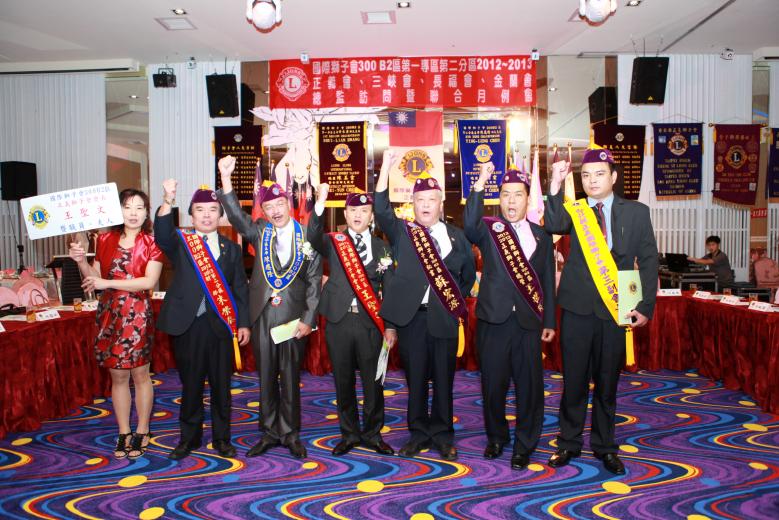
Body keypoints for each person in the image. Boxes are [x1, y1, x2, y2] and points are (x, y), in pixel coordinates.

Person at [544, 147, 658, 475]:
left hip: (615, 308)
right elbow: (553, 223)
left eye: (599, 174)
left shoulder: (636, 212)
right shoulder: (576, 210)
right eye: (586, 175)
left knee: (608, 383)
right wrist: (555, 184)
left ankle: (605, 446)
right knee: (574, 382)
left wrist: (646, 305)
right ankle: (568, 443)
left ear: (613, 177)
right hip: (577, 309)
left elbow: (648, 259)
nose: (592, 181)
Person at [217, 155, 322, 459]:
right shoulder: (260, 231)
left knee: (289, 377)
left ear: (289, 204)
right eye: (268, 207)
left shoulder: (308, 236)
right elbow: (236, 216)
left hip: (294, 319)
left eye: (279, 204)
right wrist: (226, 178)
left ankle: (290, 433)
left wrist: (308, 319)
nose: (275, 211)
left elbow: (315, 281)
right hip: (262, 315)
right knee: (265, 377)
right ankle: (269, 432)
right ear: (263, 210)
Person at [374, 150, 476, 461]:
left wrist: (449, 301)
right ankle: (418, 433)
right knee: (415, 380)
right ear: (413, 204)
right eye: (420, 200)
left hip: (444, 319)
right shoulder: (403, 233)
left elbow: (467, 276)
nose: (426, 205)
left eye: (432, 199)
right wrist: (385, 167)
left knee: (444, 380)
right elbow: (381, 208)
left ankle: (443, 435)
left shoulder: (457, 237)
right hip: (412, 320)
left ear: (441, 203)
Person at [463, 163, 556, 470]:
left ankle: (524, 445)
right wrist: (480, 183)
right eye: (505, 194)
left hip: (528, 324)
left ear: (528, 199)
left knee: (529, 388)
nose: (511, 200)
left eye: (518, 194)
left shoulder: (542, 236)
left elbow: (547, 281)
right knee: (493, 386)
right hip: (494, 321)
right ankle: (497, 438)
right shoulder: (489, 230)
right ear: (499, 199)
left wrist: (550, 321)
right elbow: (469, 224)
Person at [154, 181, 251, 460]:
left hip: (221, 326)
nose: (206, 215)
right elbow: (162, 234)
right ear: (191, 214)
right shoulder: (181, 243)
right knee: (191, 384)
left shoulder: (232, 249)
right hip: (188, 325)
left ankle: (222, 439)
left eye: (212, 210)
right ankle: (189, 438)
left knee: (222, 387)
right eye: (200, 210)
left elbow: (239, 288)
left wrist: (243, 323)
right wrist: (167, 199)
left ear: (220, 214)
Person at [68, 189, 163, 459]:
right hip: (110, 313)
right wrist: (81, 262)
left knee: (140, 374)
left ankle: (143, 429)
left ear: (146, 213)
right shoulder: (105, 239)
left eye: (139, 207)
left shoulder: (152, 243)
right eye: (127, 207)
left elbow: (148, 281)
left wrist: (106, 282)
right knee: (118, 376)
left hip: (137, 313)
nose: (133, 213)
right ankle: (124, 431)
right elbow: (93, 278)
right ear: (118, 211)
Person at [308, 185, 397, 456]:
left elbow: (390, 288)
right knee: (343, 380)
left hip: (371, 323)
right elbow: (312, 236)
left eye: (364, 210)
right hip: (339, 321)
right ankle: (349, 434)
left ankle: (372, 434)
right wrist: (320, 203)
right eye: (353, 210)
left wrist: (390, 326)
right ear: (345, 214)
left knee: (374, 383)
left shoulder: (382, 247)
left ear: (372, 216)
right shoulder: (333, 241)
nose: (358, 215)